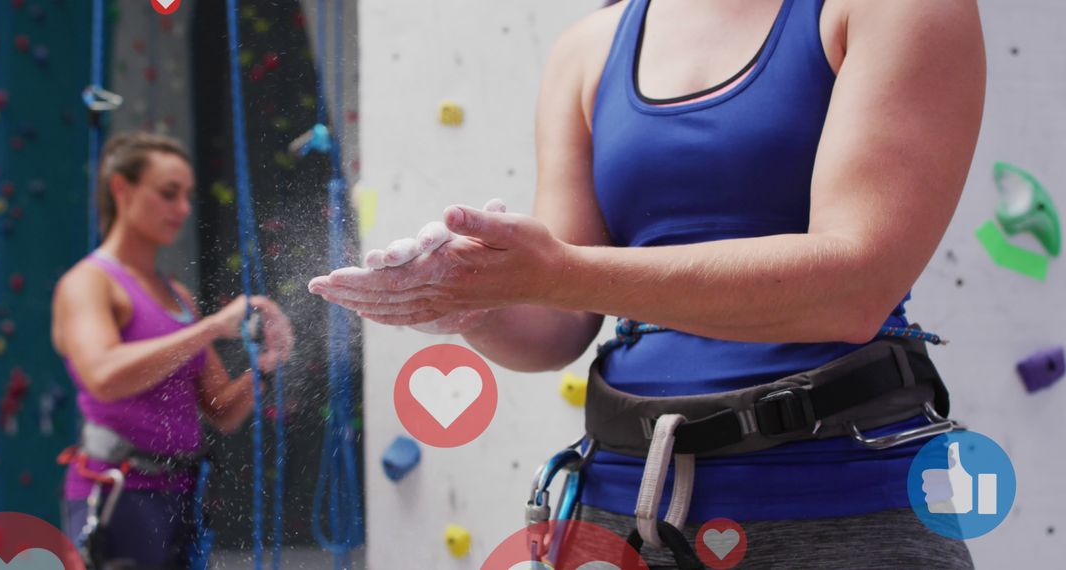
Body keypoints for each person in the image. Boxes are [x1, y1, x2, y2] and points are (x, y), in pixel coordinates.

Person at [310, 0, 985, 567]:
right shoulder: (588, 49)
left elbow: (852, 288)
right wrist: (469, 297)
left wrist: (557, 271)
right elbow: (557, 322)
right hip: (620, 505)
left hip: (838, 498)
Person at [52, 132, 294, 568]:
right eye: (168, 194)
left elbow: (221, 408)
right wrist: (211, 328)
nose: (182, 209)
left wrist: (268, 365)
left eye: (186, 196)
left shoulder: (176, 294)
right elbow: (104, 376)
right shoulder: (88, 283)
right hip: (118, 493)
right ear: (121, 189)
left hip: (182, 496)